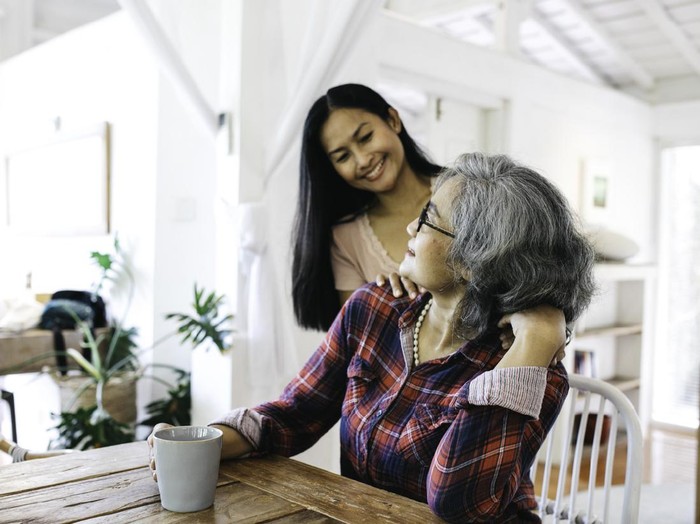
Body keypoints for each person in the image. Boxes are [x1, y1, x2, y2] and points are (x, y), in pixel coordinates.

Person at [150, 153, 596, 522]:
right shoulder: (373, 309)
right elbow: (297, 413)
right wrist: (207, 441)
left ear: (474, 261)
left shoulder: (528, 369)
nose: (409, 229)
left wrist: (536, 342)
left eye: (427, 220)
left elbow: (457, 501)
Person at [292, 83, 442, 331]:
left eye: (365, 138)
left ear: (393, 120)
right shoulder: (345, 240)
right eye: (342, 156)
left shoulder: (464, 192)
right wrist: (377, 300)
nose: (362, 160)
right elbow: (358, 344)